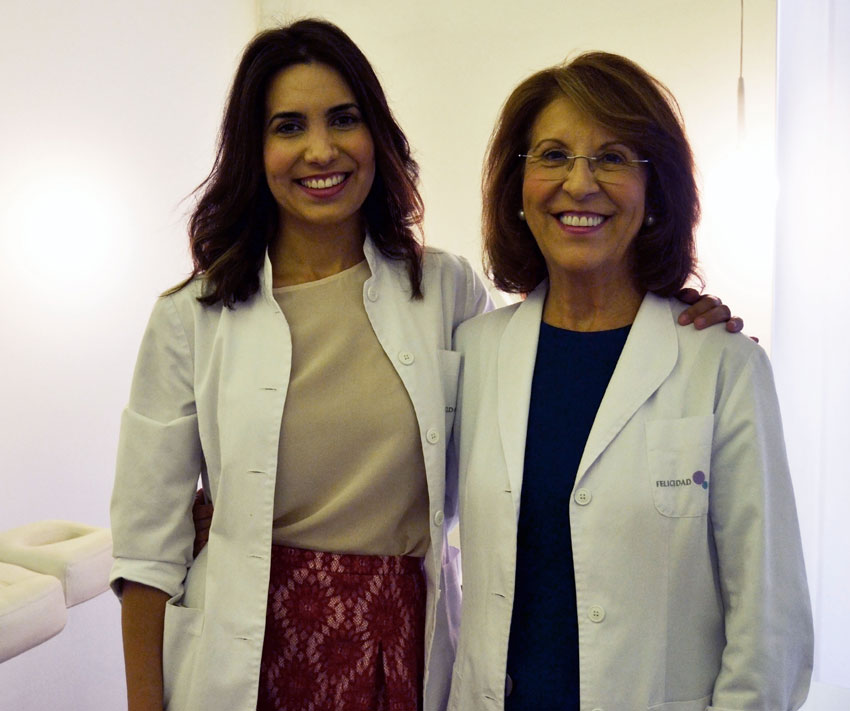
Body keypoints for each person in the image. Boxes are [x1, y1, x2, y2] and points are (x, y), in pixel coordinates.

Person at [111, 18, 740, 711]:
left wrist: (666, 314)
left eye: (343, 119)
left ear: (376, 135)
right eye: (288, 126)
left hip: (401, 647)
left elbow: (547, 361)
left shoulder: (444, 290)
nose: (320, 149)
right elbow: (147, 552)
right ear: (253, 151)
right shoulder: (192, 317)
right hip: (245, 652)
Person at [447, 52, 813, 711]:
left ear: (654, 194)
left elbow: (769, 626)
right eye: (553, 156)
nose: (579, 183)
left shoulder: (723, 366)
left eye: (612, 158)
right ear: (519, 188)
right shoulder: (473, 352)